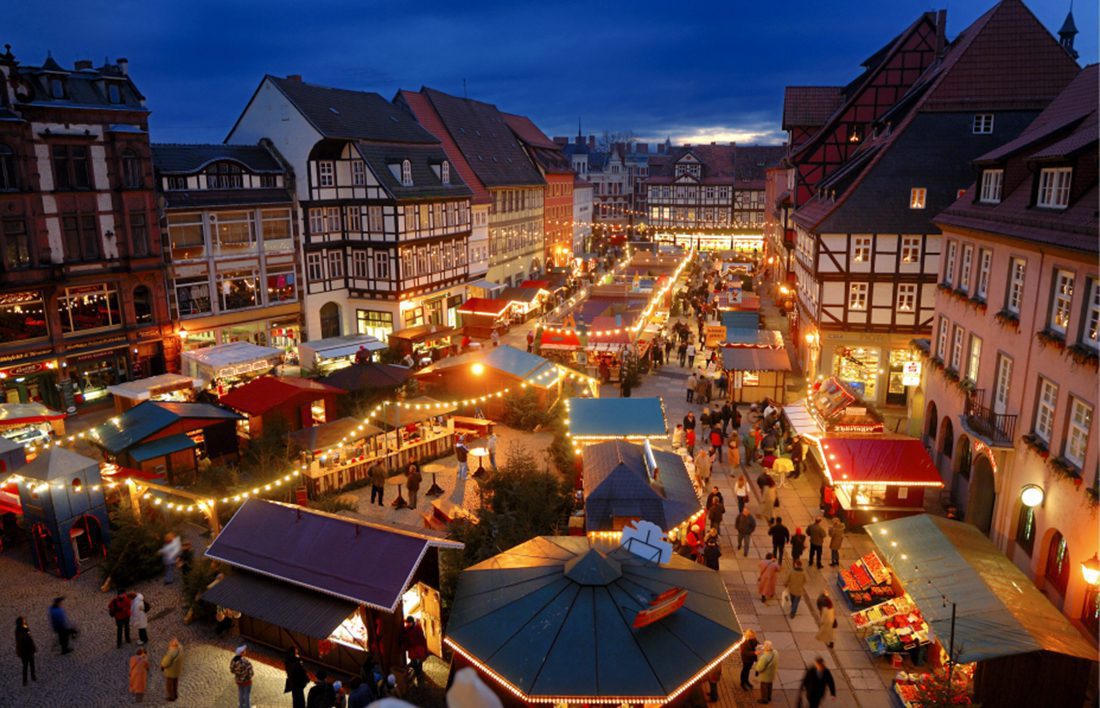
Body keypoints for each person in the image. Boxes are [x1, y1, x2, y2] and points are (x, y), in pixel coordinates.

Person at [399, 617, 429, 686]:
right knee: (414, 662)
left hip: (418, 648)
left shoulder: (418, 628)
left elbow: (422, 639)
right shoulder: (406, 629)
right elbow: (405, 638)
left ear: (412, 622)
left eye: (409, 623)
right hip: (412, 649)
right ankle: (418, 673)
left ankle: (419, 674)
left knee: (419, 662)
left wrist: (425, 649)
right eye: (407, 623)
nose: (408, 624)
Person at [753, 640, 778, 704]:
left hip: (765, 675)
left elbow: (760, 667)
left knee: (764, 687)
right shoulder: (775, 652)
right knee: (770, 685)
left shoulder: (764, 657)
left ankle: (764, 699)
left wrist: (756, 669)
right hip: (772, 673)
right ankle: (769, 697)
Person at [160, 638, 183, 702]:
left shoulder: (172, 652)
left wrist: (162, 665)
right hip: (177, 670)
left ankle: (171, 697)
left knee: (169, 685)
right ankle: (175, 694)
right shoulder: (180, 649)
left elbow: (166, 662)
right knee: (175, 683)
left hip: (171, 671)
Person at [14, 616, 36, 686]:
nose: (25, 621)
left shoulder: (18, 630)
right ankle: (31, 677)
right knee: (29, 664)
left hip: (24, 651)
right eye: (24, 621)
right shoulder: (23, 630)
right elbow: (28, 640)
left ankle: (26, 680)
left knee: (26, 665)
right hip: (26, 650)